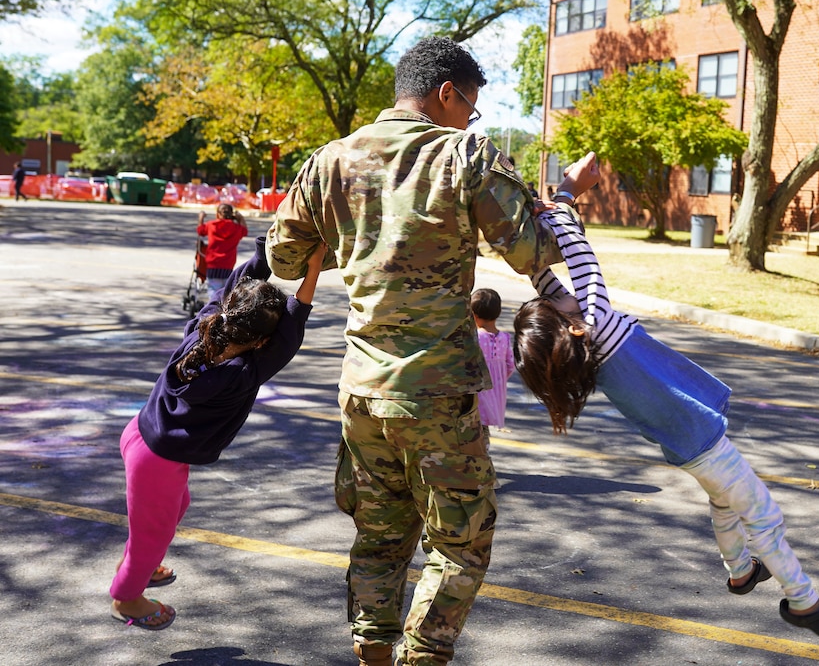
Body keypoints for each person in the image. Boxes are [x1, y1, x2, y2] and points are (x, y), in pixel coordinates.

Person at [266, 36, 599, 666]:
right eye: (469, 107)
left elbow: (283, 257)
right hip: (437, 393)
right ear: (446, 93)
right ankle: (425, 654)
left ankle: (373, 650)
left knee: (381, 535)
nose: (470, 120)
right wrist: (565, 200)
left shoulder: (328, 161)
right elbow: (532, 252)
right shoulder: (466, 155)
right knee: (461, 544)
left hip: (362, 389)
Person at [511, 158, 819, 642]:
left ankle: (740, 572)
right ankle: (805, 603)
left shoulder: (588, 351)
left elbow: (543, 278)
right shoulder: (598, 323)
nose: (565, 293)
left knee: (722, 502)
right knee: (764, 515)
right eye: (563, 303)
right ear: (571, 325)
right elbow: (581, 258)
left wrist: (531, 216)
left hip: (688, 446)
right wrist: (567, 195)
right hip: (704, 443)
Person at [109, 236, 325, 631]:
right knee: (152, 532)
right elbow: (293, 327)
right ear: (260, 341)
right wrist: (312, 269)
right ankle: (128, 598)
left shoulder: (205, 326)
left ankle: (141, 564)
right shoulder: (243, 374)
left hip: (141, 436)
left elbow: (233, 291)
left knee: (170, 512)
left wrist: (264, 254)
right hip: (157, 457)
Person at [470, 288, 516, 446]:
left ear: (473, 315)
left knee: (473, 427)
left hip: (477, 393)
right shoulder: (505, 338)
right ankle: (484, 453)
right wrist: (498, 380)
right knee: (483, 429)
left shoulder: (475, 337)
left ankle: (476, 457)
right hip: (495, 393)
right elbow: (510, 365)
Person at [197, 203, 248, 297]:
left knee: (213, 289)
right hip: (228, 264)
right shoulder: (236, 228)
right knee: (226, 291)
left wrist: (201, 217)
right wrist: (240, 218)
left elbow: (200, 231)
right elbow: (245, 231)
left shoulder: (211, 225)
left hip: (213, 263)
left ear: (217, 214)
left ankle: (213, 308)